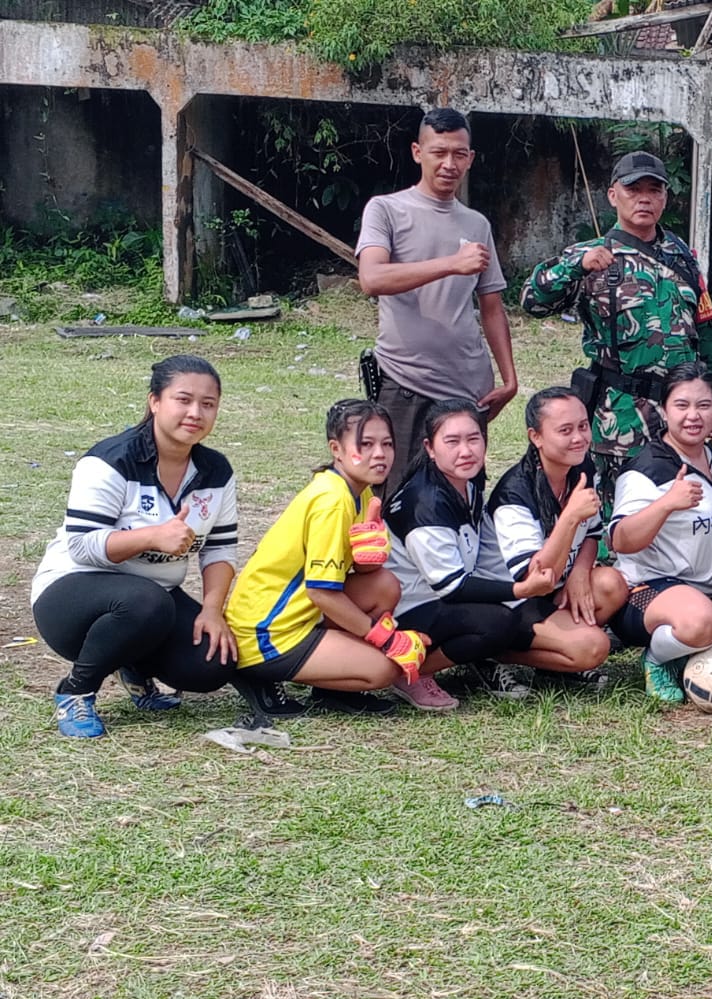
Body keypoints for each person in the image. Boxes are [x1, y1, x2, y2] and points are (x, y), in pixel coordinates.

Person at [31, 356, 239, 738]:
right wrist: (152, 536)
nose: (196, 413)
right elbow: (81, 546)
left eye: (208, 404)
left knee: (211, 664)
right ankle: (76, 692)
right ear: (154, 402)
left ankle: (133, 665)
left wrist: (212, 610)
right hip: (70, 596)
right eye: (183, 400)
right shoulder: (110, 461)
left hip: (151, 601)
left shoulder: (216, 472)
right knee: (146, 602)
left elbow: (220, 549)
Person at [521, 152, 712, 507]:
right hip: (621, 416)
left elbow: (705, 333)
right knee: (621, 510)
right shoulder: (592, 255)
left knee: (681, 504)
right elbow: (533, 300)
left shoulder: (681, 256)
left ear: (665, 197)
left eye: (654, 190)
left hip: (681, 413)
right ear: (612, 195)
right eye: (634, 190)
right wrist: (577, 267)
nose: (644, 199)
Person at [226, 400, 429, 719]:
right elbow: (321, 592)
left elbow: (358, 572)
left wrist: (368, 558)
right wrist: (386, 639)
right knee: (384, 669)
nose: (380, 454)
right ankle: (256, 672)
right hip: (267, 631)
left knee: (384, 585)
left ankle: (333, 688)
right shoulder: (332, 501)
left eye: (387, 444)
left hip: (301, 612)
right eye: (366, 444)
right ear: (337, 449)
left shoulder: (358, 490)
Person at [355, 107, 518, 477]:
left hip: (468, 388)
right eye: (438, 152)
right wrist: (451, 263)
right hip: (406, 381)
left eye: (459, 154)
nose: (449, 164)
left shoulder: (476, 224)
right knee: (397, 492)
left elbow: (492, 306)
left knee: (462, 492)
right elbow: (372, 278)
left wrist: (509, 379)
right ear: (417, 152)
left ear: (470, 159)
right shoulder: (386, 210)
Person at [608, 363, 712, 702]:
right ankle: (657, 658)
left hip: (705, 591)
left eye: (704, 405)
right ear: (664, 411)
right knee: (702, 622)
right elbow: (621, 540)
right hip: (646, 591)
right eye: (681, 405)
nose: (693, 416)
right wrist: (666, 504)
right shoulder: (647, 469)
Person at [485, 386, 631, 685]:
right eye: (565, 430)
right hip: (511, 600)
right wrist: (569, 517)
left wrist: (580, 572)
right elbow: (534, 578)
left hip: (555, 585)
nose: (579, 438)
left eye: (583, 426)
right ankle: (489, 651)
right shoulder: (515, 493)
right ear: (535, 437)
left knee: (611, 584)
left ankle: (553, 663)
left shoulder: (580, 466)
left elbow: (592, 533)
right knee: (593, 647)